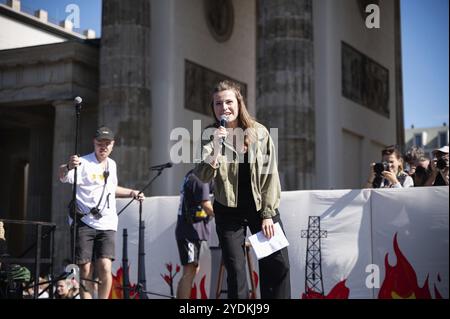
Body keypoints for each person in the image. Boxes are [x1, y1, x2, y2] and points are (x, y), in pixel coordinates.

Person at [193, 80, 291, 299]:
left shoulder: (259, 132)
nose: (224, 108)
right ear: (213, 107)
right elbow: (202, 175)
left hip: (260, 207)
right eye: (218, 104)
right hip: (228, 211)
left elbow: (269, 175)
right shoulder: (210, 135)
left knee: (278, 264)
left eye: (229, 102)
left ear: (239, 102)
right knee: (236, 271)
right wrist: (216, 148)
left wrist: (267, 215)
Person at [59, 126, 145, 299]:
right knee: (85, 268)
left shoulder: (111, 165)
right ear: (94, 143)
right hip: (84, 222)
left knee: (105, 266)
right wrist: (68, 166)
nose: (103, 147)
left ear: (113, 145)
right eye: (100, 143)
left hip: (107, 223)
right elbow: (62, 176)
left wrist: (131, 192)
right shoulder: (83, 162)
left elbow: (111, 189)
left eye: (107, 143)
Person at [175, 169, 214, 299]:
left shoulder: (191, 174)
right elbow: (206, 205)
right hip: (190, 232)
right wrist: (224, 218)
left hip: (191, 231)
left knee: (192, 270)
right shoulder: (200, 178)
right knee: (189, 271)